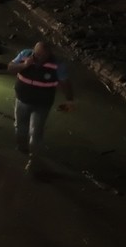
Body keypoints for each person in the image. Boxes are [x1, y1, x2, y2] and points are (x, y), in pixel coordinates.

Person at [7, 40, 75, 175]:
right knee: (20, 128)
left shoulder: (57, 65)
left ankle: (33, 159)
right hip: (22, 101)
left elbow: (65, 83)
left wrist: (70, 100)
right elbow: (10, 67)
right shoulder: (25, 54)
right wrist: (25, 64)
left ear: (49, 54)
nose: (37, 58)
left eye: (41, 56)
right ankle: (21, 148)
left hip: (42, 104)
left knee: (35, 132)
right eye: (36, 54)